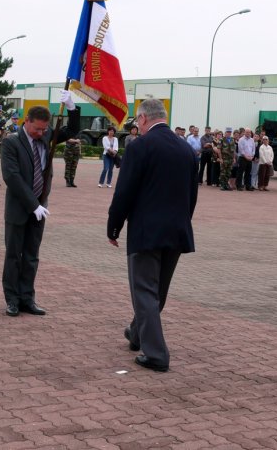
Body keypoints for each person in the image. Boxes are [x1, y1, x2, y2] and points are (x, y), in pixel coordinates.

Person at [107, 99, 198, 372]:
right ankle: (137, 334)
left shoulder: (139, 146)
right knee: (158, 291)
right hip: (178, 229)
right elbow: (192, 195)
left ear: (144, 118)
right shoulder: (187, 149)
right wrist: (183, 222)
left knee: (145, 292)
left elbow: (125, 191)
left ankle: (156, 354)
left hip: (147, 231)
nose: (137, 126)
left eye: (137, 121)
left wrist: (114, 226)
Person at [1, 91, 80, 317]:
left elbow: (71, 130)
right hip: (20, 208)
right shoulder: (11, 143)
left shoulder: (46, 137)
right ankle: (12, 300)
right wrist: (32, 204)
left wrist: (72, 109)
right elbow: (12, 177)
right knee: (14, 255)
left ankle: (28, 298)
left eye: (44, 129)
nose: (41, 132)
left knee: (32, 256)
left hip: (40, 208)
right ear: (26, 121)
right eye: (37, 128)